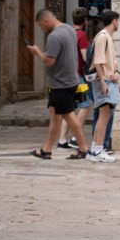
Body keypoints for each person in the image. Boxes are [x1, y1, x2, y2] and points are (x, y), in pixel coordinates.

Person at [27, 9, 91, 161]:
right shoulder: (69, 29)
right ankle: (46, 150)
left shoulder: (54, 36)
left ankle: (83, 149)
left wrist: (37, 52)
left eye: (41, 26)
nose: (42, 29)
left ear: (46, 21)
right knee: (54, 114)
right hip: (68, 80)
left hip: (61, 83)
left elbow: (50, 61)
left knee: (68, 115)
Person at [89, 10, 120, 163]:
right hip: (103, 81)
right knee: (104, 116)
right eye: (118, 21)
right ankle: (98, 150)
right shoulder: (103, 37)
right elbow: (98, 61)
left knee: (104, 116)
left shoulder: (106, 37)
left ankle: (94, 149)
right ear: (114, 21)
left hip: (107, 80)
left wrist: (117, 80)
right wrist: (103, 82)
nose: (118, 24)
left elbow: (111, 62)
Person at [58, 7, 91, 150]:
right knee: (86, 106)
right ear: (85, 20)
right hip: (78, 77)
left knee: (69, 109)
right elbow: (84, 57)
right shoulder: (82, 35)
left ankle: (62, 140)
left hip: (65, 76)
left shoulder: (66, 33)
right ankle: (75, 138)